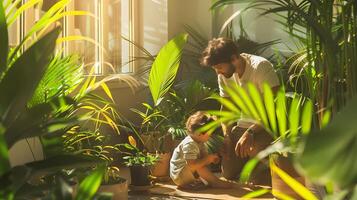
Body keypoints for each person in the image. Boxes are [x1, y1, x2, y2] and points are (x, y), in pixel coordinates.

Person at [200, 37, 280, 184]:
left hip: (265, 126)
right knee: (228, 173)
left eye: (219, 67)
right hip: (242, 126)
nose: (218, 73)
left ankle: (266, 167)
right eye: (215, 69)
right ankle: (250, 163)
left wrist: (250, 132)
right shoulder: (224, 75)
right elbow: (226, 109)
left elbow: (274, 108)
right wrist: (227, 136)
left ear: (233, 58)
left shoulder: (260, 67)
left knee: (256, 181)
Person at [170, 111, 234, 189]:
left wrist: (212, 158)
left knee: (202, 163)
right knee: (199, 166)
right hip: (179, 175)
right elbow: (192, 165)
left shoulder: (200, 142)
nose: (210, 136)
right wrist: (207, 159)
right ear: (199, 133)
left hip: (187, 173)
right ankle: (215, 182)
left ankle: (204, 181)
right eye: (209, 134)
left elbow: (204, 157)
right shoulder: (190, 144)